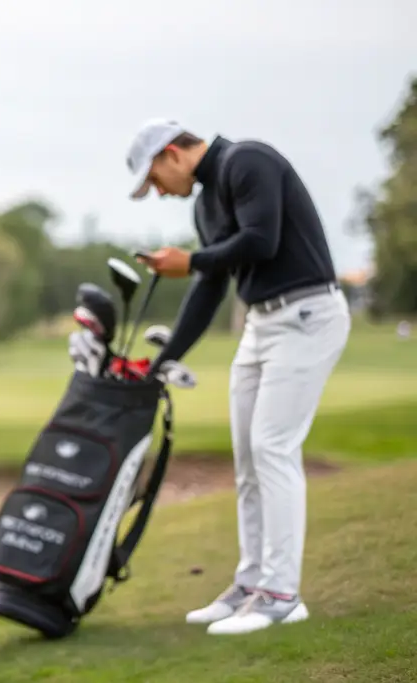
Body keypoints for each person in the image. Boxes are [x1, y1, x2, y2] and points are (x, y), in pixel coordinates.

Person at [123, 119, 351, 636]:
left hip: (308, 316)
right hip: (261, 324)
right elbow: (209, 286)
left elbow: (261, 241)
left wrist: (191, 260)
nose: (158, 191)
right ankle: (252, 583)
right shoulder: (205, 204)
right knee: (247, 457)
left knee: (272, 448)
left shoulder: (248, 161)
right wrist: (161, 363)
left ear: (171, 154)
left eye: (154, 179)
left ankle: (282, 595)